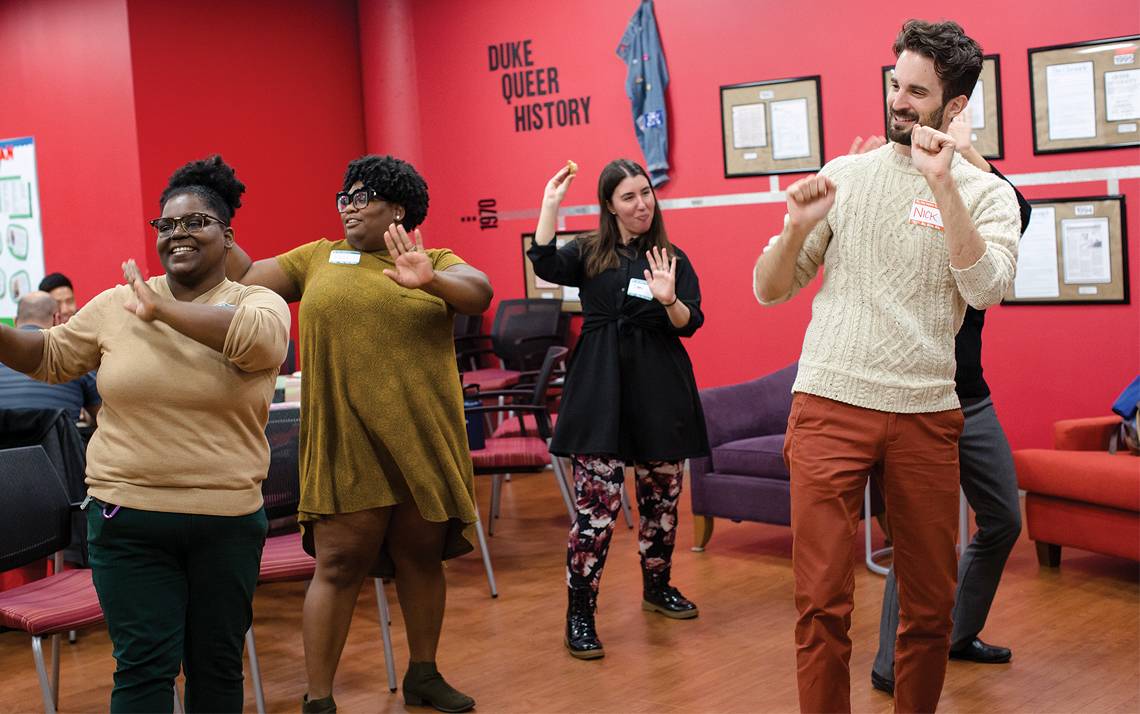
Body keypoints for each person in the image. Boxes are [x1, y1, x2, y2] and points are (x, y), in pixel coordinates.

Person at [752, 20, 1021, 714]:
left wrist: (945, 187)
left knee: (928, 612)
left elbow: (986, 286)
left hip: (927, 412)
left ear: (955, 106)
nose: (899, 101)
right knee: (820, 605)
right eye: (895, 85)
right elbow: (770, 287)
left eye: (918, 92)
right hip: (830, 401)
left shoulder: (988, 195)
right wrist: (793, 229)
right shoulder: (844, 176)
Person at [0, 155, 289, 712]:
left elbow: (259, 343)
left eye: (196, 222)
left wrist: (160, 311)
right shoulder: (117, 303)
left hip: (224, 521)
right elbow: (52, 354)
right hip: (128, 517)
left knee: (217, 665)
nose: (178, 234)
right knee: (143, 669)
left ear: (227, 235)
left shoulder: (257, 301)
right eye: (167, 225)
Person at [225, 154, 492, 713]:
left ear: (398, 208)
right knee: (339, 565)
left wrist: (432, 278)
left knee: (421, 557)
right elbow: (244, 276)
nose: (347, 204)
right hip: (347, 437)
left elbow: (479, 291)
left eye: (362, 195)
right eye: (343, 195)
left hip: (421, 436)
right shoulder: (317, 257)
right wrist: (216, 224)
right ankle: (318, 698)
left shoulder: (436, 259)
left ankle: (423, 673)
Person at [867, 111, 1032, 694]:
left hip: (971, 396)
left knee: (1004, 520)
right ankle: (891, 664)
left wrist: (972, 157)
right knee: (917, 536)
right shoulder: (895, 187)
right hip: (915, 395)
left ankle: (956, 634)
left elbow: (1022, 214)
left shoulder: (980, 197)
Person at [527, 159, 709, 661]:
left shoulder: (672, 257)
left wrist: (669, 300)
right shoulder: (588, 252)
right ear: (610, 205)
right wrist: (549, 204)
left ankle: (658, 588)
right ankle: (580, 616)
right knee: (596, 514)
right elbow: (543, 261)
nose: (641, 204)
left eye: (646, 193)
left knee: (662, 503)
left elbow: (690, 321)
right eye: (628, 197)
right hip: (599, 391)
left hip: (660, 391)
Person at [0, 291, 100, 423]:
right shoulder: (75, 358)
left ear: (15, 321)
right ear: (57, 319)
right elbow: (106, 420)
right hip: (58, 443)